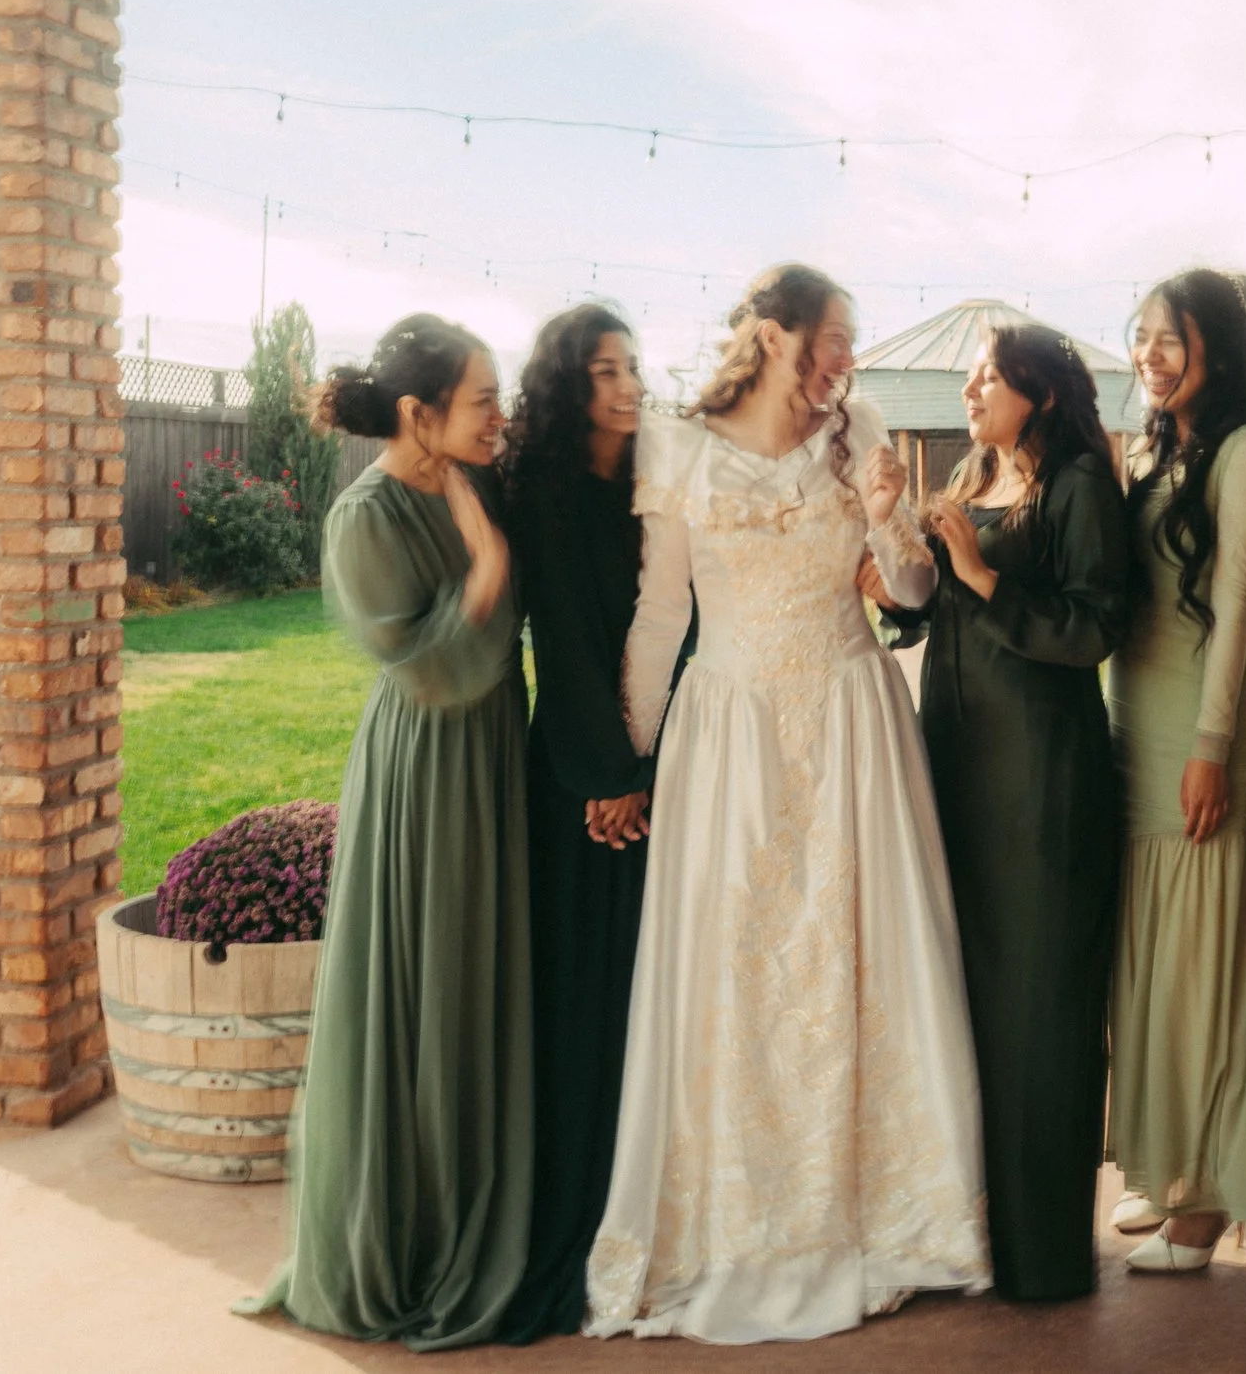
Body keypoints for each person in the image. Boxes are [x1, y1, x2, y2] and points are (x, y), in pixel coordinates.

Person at [584, 264, 992, 1343]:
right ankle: (739, 1220)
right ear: (772, 337)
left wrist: (890, 520)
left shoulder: (859, 429)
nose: (844, 360)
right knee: (742, 973)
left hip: (853, 723)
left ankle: (880, 1211)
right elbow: (657, 617)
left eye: (849, 342)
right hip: (728, 740)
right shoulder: (675, 445)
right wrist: (626, 762)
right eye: (832, 339)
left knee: (857, 967)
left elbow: (907, 593)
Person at [237, 314, 530, 1350]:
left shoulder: (481, 474)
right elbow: (431, 666)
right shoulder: (363, 515)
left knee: (482, 980)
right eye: (482, 399)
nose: (500, 417)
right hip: (426, 768)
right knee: (428, 980)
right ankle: (409, 1236)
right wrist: (486, 560)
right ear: (420, 413)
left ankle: (479, 1212)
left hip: (498, 758)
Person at [876, 323, 1131, 1302]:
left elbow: (1095, 625)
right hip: (955, 753)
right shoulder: (970, 472)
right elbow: (941, 607)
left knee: (1042, 1007)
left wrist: (978, 577)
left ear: (1046, 391)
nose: (970, 385)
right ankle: (969, 1229)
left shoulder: (1078, 484)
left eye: (990, 373)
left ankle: (1046, 1252)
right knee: (968, 990)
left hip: (1040, 774)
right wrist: (906, 577)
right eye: (971, 372)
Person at [1106, 269, 1246, 1275]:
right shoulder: (1156, 448)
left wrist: (1211, 747)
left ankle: (1213, 1197)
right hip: (1134, 720)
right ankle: (1168, 1160)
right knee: (1150, 953)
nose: (1150, 351)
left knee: (1205, 959)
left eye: (1170, 336)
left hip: (1201, 725)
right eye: (1140, 335)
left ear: (1215, 347)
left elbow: (1232, 608)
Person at [493, 305, 666, 1343]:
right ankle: (583, 1212)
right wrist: (608, 774)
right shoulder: (548, 490)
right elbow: (558, 635)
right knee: (584, 993)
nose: (627, 383)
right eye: (603, 370)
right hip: (579, 777)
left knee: (643, 990)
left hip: (661, 759)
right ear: (568, 386)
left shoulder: (651, 479)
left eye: (633, 365)